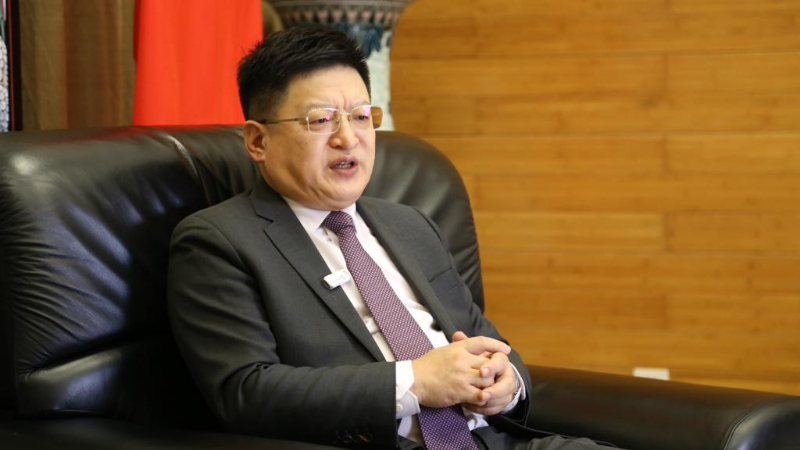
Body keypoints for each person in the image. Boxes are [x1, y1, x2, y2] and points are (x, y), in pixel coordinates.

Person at [167, 26, 619, 450]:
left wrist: (507, 383)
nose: (348, 138)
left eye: (362, 116)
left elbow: (484, 338)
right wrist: (416, 382)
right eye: (321, 119)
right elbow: (246, 392)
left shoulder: (410, 224)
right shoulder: (219, 242)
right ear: (257, 141)